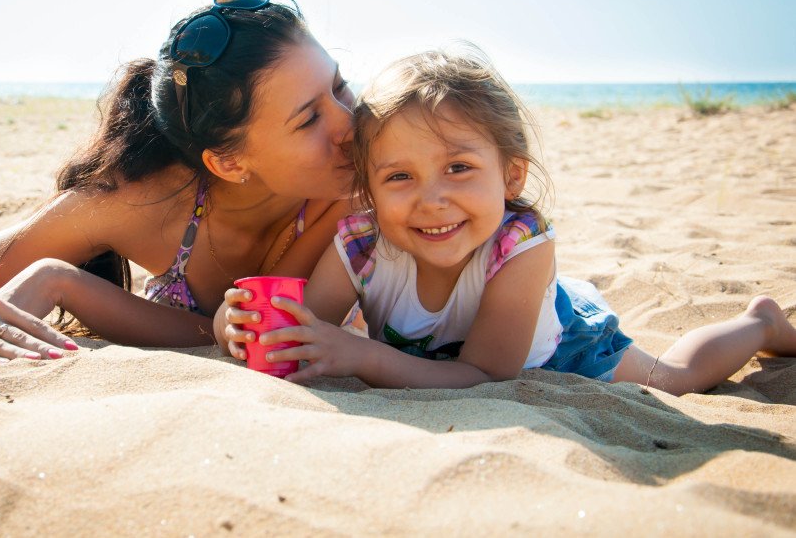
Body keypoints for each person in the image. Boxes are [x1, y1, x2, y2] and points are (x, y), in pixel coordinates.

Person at [219, 46, 796, 394]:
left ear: (511, 176)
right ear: (367, 190)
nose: (432, 199)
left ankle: (760, 322)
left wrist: (363, 356)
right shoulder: (361, 245)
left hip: (552, 343)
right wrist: (235, 324)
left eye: (459, 167)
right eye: (398, 177)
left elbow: (487, 375)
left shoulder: (522, 246)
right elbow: (299, 328)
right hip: (436, 354)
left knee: (674, 378)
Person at [0, 0, 355, 365]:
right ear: (228, 162)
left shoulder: (374, 177)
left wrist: (66, 285)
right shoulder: (138, 200)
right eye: (309, 119)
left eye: (339, 86)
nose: (349, 124)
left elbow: (269, 333)